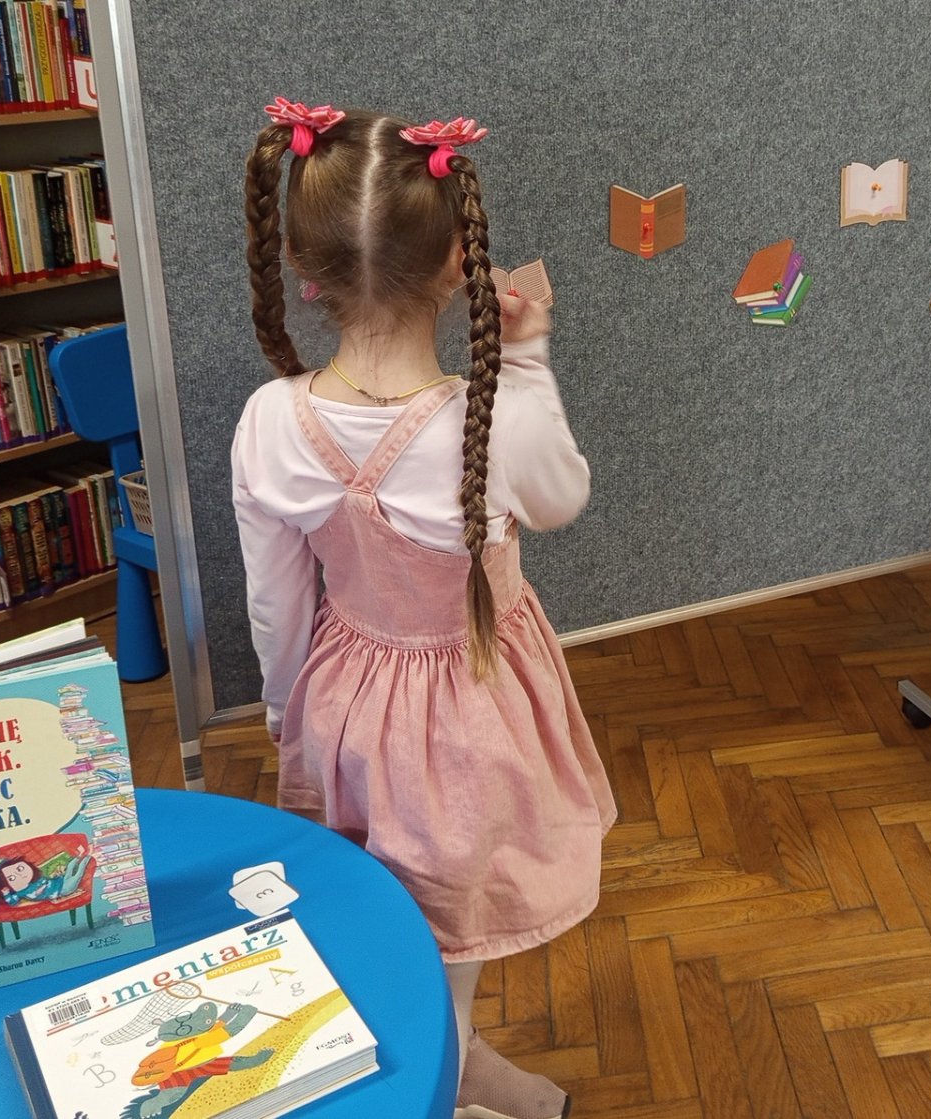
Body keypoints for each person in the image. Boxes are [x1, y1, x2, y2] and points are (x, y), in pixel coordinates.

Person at [232, 99, 616, 1119]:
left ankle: (456, 1056)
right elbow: (563, 497)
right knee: (443, 913)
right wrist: (528, 357)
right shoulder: (492, 418)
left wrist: (287, 715)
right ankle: (431, 1085)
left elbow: (275, 601)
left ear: (303, 268)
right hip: (472, 712)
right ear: (458, 263)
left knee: (385, 903)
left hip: (345, 704)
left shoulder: (269, 419)